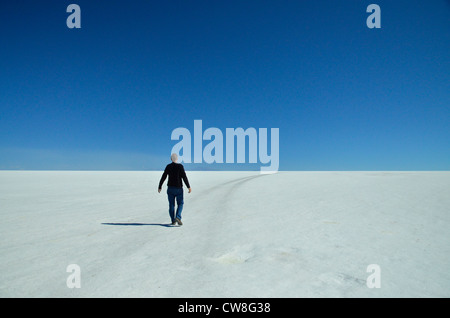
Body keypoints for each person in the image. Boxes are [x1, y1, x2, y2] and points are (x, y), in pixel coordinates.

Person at [158, 153, 192, 226]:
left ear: (171, 159)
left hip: (170, 188)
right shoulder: (180, 166)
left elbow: (164, 176)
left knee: (171, 205)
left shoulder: (168, 166)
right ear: (177, 159)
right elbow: (184, 177)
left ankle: (173, 220)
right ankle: (178, 217)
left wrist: (160, 186)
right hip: (178, 188)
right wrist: (188, 187)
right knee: (180, 203)